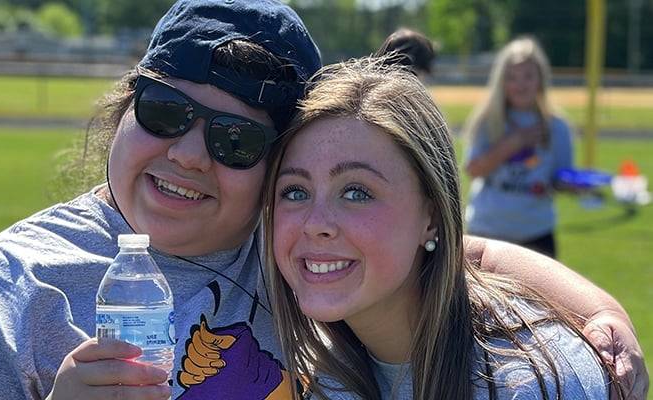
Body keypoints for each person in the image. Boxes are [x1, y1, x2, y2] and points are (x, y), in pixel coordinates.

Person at [0, 2, 646, 399]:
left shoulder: (291, 248)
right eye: (167, 113)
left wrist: (596, 309)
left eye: (236, 141)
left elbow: (453, 245)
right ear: (126, 106)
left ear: (274, 175)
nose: (190, 153)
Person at [263, 57, 623, 399]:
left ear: (432, 219)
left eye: (357, 192)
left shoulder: (534, 380)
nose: (316, 224)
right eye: (295, 191)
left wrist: (605, 312)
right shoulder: (322, 378)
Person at [462, 37, 574, 258]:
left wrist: (577, 186)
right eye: (512, 77)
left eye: (528, 76)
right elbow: (473, 170)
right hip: (488, 230)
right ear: (501, 81)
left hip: (536, 232)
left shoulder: (557, 126)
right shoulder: (488, 120)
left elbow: (559, 179)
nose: (520, 84)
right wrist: (515, 142)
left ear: (540, 79)